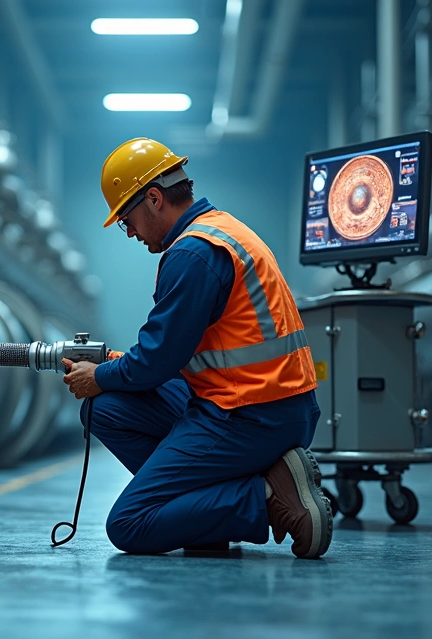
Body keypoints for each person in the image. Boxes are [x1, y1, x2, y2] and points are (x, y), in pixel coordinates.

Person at [60, 138, 333, 559]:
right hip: (256, 401)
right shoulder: (220, 230)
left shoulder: (193, 253)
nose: (129, 232)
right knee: (104, 407)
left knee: (129, 525)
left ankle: (267, 496)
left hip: (253, 415)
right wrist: (110, 366)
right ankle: (203, 516)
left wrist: (98, 376)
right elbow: (176, 353)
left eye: (126, 219)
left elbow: (156, 360)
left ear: (153, 198)